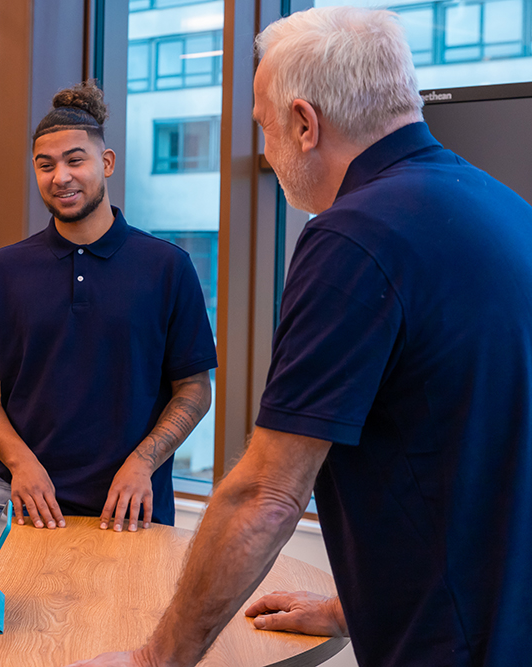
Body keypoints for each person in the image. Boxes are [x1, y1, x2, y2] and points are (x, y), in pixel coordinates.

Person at [68, 7, 532, 667]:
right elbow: (471, 453)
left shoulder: (356, 236)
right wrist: (356, 603)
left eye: (264, 126)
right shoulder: (501, 206)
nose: (264, 150)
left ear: (305, 123)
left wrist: (153, 659)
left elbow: (268, 494)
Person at [0, 81, 217, 532]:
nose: (61, 177)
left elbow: (194, 388)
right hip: (23, 506)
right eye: (46, 165)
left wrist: (143, 461)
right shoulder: (4, 269)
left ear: (106, 162)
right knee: (10, 608)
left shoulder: (167, 267)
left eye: (76, 160)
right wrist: (22, 464)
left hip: (132, 510)